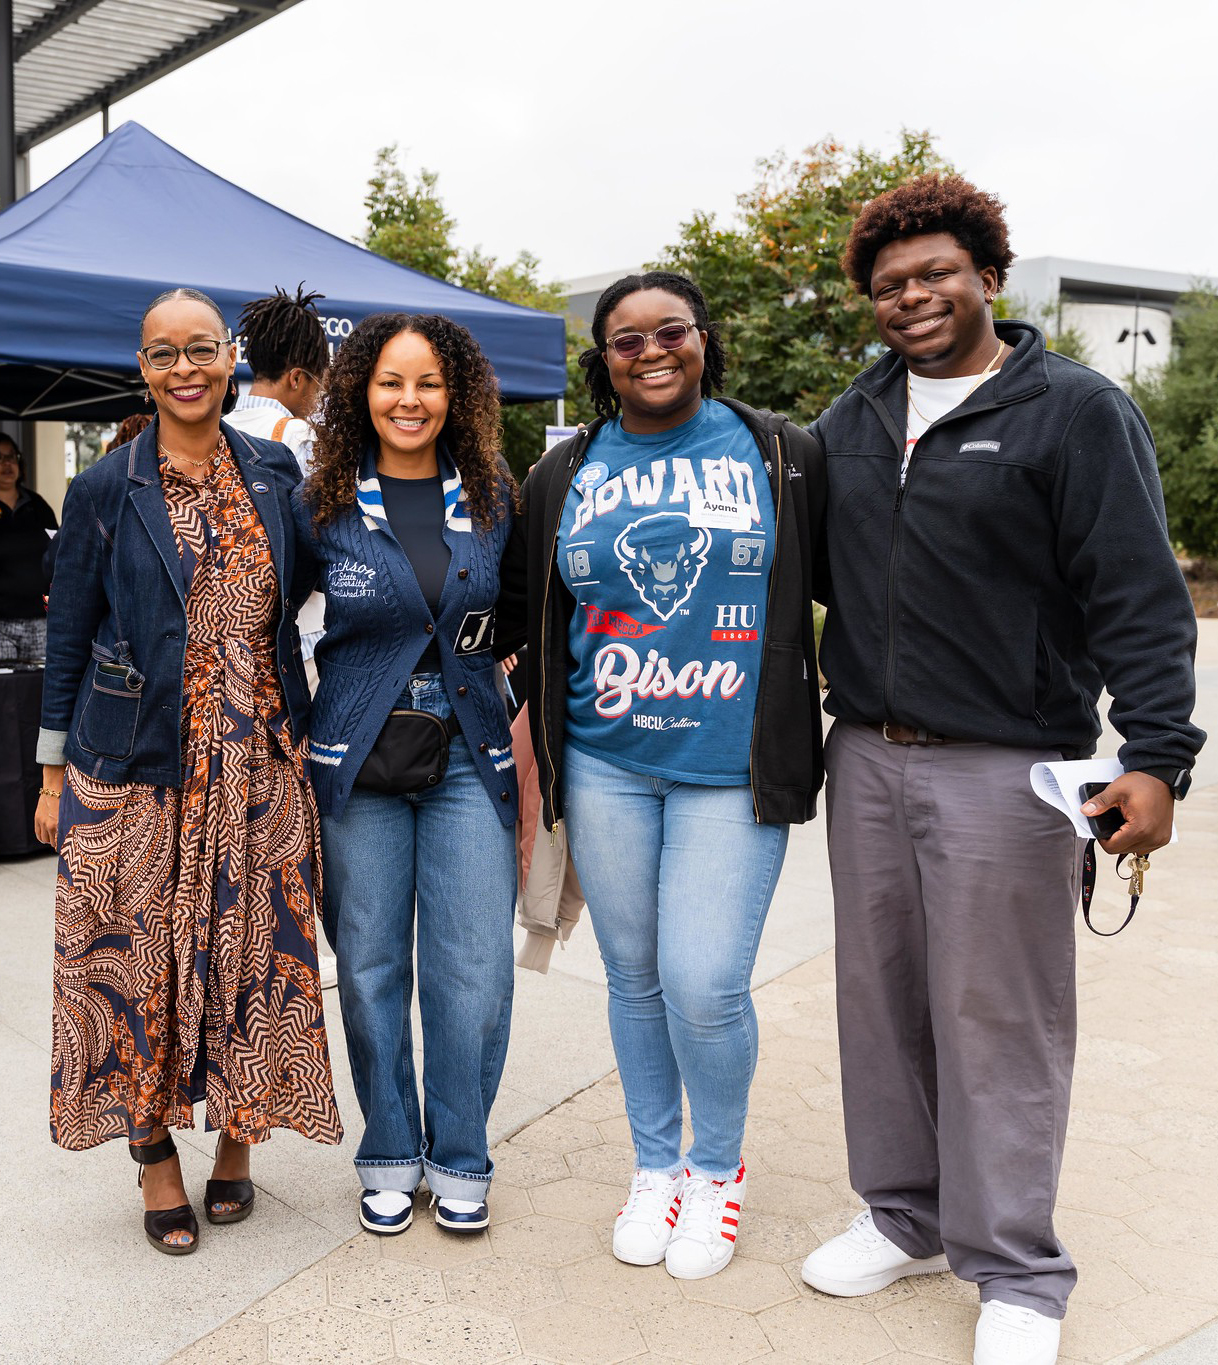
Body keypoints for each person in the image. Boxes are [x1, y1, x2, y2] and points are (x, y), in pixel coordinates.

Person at [798, 176, 1205, 1365]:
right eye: (888, 286)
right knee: (880, 1004)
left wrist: (1159, 757)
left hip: (1009, 767)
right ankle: (905, 1217)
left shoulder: (1071, 411)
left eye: (934, 274)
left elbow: (1139, 595)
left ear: (987, 274)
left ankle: (1018, 1270)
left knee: (1000, 1019)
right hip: (865, 753)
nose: (912, 298)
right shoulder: (856, 416)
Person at [506, 271, 827, 1279]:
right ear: (600, 361)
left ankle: (716, 1169)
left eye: (670, 331)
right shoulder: (567, 471)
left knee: (704, 980)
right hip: (605, 763)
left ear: (704, 341)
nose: (650, 350)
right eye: (624, 338)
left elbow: (857, 588)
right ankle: (656, 1166)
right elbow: (525, 615)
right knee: (636, 976)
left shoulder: (780, 451)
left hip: (730, 769)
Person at [35, 286, 342, 1256]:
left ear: (229, 359)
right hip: (136, 767)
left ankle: (240, 1143)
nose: (185, 369)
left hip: (259, 765)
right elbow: (68, 642)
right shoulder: (103, 489)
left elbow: (334, 582)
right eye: (164, 353)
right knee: (134, 974)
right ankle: (154, 1154)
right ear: (143, 367)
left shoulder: (277, 470)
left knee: (261, 964)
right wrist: (50, 780)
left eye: (200, 349)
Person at [298, 311, 522, 1237]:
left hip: (472, 747)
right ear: (361, 390)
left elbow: (520, 617)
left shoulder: (494, 495)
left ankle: (460, 1154)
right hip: (358, 749)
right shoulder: (322, 503)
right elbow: (273, 621)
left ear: (454, 393)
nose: (409, 399)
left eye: (428, 382)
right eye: (391, 381)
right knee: (373, 964)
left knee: (471, 966)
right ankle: (389, 1150)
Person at [225, 284, 337, 988]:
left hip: (235, 653)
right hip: (305, 646)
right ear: (299, 377)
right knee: (311, 805)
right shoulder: (297, 439)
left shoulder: (214, 423)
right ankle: (306, 936)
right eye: (320, 382)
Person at [0, 434, 57, 661]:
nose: (6, 464)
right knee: (5, 692)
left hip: (39, 620)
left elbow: (56, 551)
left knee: (37, 690)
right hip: (1, 622)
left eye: (11, 457)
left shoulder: (37, 505)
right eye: (0, 458)